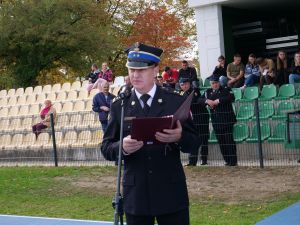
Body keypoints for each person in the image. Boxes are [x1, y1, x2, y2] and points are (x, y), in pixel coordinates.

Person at [101, 42, 199, 225]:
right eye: (132, 70)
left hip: (171, 193)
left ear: (155, 70)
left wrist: (180, 137)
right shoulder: (119, 106)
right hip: (136, 196)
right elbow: (106, 148)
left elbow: (194, 143)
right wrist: (121, 146)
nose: (135, 75)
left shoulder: (175, 102)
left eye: (142, 70)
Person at [203, 75, 237, 166]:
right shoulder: (208, 92)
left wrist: (219, 100)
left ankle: (233, 161)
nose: (215, 85)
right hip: (216, 121)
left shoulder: (226, 89)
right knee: (221, 142)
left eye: (216, 83)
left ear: (219, 82)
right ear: (210, 84)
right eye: (213, 83)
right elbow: (199, 99)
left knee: (229, 141)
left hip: (227, 120)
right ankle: (226, 160)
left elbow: (231, 97)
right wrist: (207, 101)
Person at [178, 78, 210, 166]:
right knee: (192, 139)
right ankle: (192, 162)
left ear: (189, 84)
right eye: (182, 85)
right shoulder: (180, 93)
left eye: (186, 84)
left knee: (204, 139)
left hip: (201, 118)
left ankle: (204, 160)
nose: (184, 86)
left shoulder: (195, 90)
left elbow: (193, 100)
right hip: (191, 121)